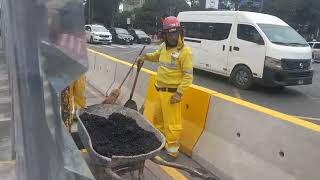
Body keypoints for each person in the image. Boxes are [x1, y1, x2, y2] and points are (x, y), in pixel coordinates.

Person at [138, 16, 193, 160]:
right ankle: (162, 145)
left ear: (180, 33)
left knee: (172, 125)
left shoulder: (185, 52)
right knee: (158, 121)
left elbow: (188, 76)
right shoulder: (163, 46)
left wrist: (179, 94)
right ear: (164, 35)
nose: (173, 36)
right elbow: (156, 56)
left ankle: (172, 152)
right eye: (170, 33)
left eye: (176, 33)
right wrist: (145, 57)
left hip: (172, 95)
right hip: (160, 91)